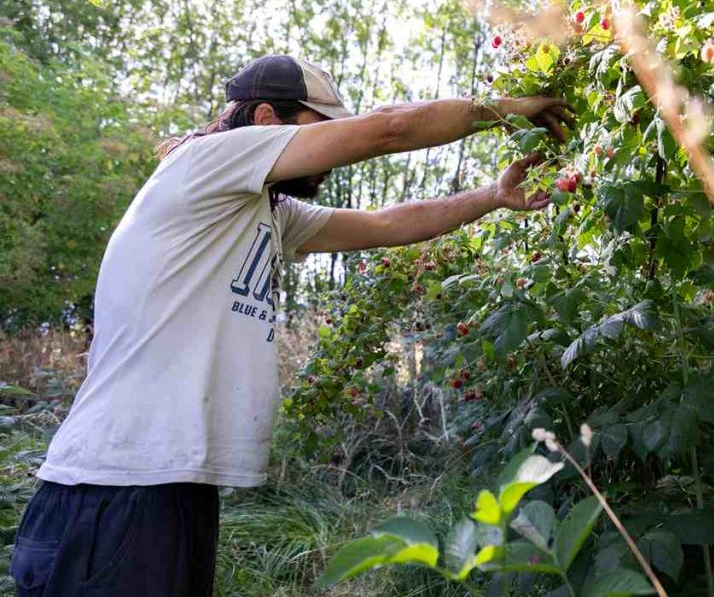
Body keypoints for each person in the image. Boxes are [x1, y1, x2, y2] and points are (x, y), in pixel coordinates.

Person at [10, 54, 573, 596]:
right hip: (113, 487)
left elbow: (385, 224)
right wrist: (509, 108)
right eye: (320, 127)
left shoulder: (262, 210)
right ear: (264, 120)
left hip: (165, 486)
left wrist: (492, 196)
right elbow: (389, 129)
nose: (330, 152)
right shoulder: (208, 162)